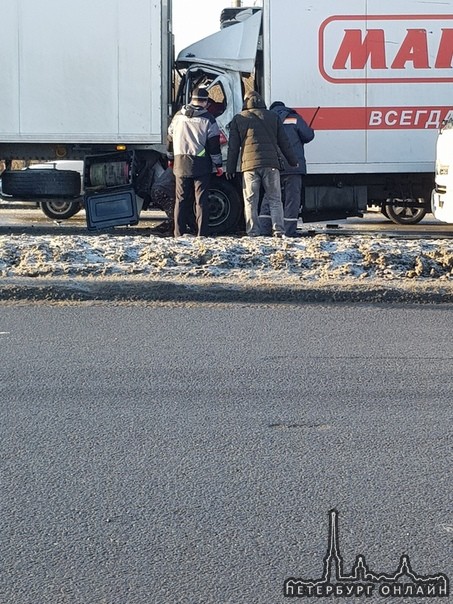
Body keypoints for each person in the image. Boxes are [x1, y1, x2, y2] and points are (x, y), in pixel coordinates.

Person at [225, 90, 298, 237]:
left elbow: (233, 147)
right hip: (271, 165)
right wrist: (293, 161)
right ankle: (278, 230)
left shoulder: (239, 118)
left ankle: (253, 231)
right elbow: (284, 142)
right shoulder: (273, 116)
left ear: (246, 102)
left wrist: (230, 168)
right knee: (275, 199)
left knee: (250, 200)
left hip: (249, 167)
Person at [167, 87, 223, 237]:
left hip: (180, 163)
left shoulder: (178, 116)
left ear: (191, 99)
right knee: (201, 200)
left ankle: (178, 233)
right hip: (200, 164)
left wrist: (170, 158)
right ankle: (202, 233)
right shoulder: (209, 120)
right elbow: (214, 146)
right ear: (205, 102)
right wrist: (218, 165)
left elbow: (170, 139)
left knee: (181, 199)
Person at [269, 101, 315, 237]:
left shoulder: (268, 119)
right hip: (293, 166)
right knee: (292, 200)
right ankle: (289, 230)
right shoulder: (294, 118)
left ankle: (265, 228)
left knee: (270, 199)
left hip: (273, 164)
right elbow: (308, 136)